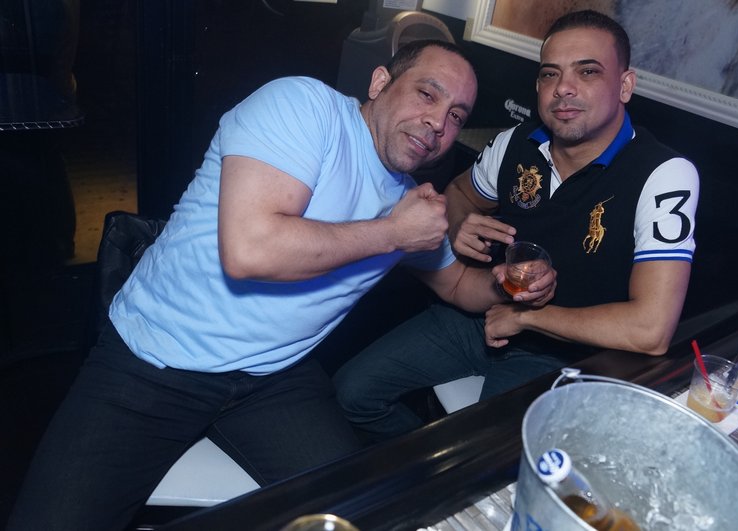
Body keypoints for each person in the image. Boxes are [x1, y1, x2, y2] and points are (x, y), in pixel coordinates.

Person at [7, 40, 536, 531]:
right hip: (156, 360)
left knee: (360, 515)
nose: (438, 122)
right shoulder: (304, 107)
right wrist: (392, 233)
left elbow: (457, 285)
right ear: (380, 82)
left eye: (456, 116)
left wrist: (509, 287)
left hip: (275, 378)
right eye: (427, 93)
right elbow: (251, 250)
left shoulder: (410, 202)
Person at [334, 10, 699, 443]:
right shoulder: (515, 143)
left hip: (565, 353)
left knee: (480, 450)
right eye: (550, 74)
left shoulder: (664, 174)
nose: (563, 88)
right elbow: (459, 193)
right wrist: (458, 223)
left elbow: (651, 330)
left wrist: (528, 319)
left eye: (587, 71)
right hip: (480, 314)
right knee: (351, 394)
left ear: (625, 85)